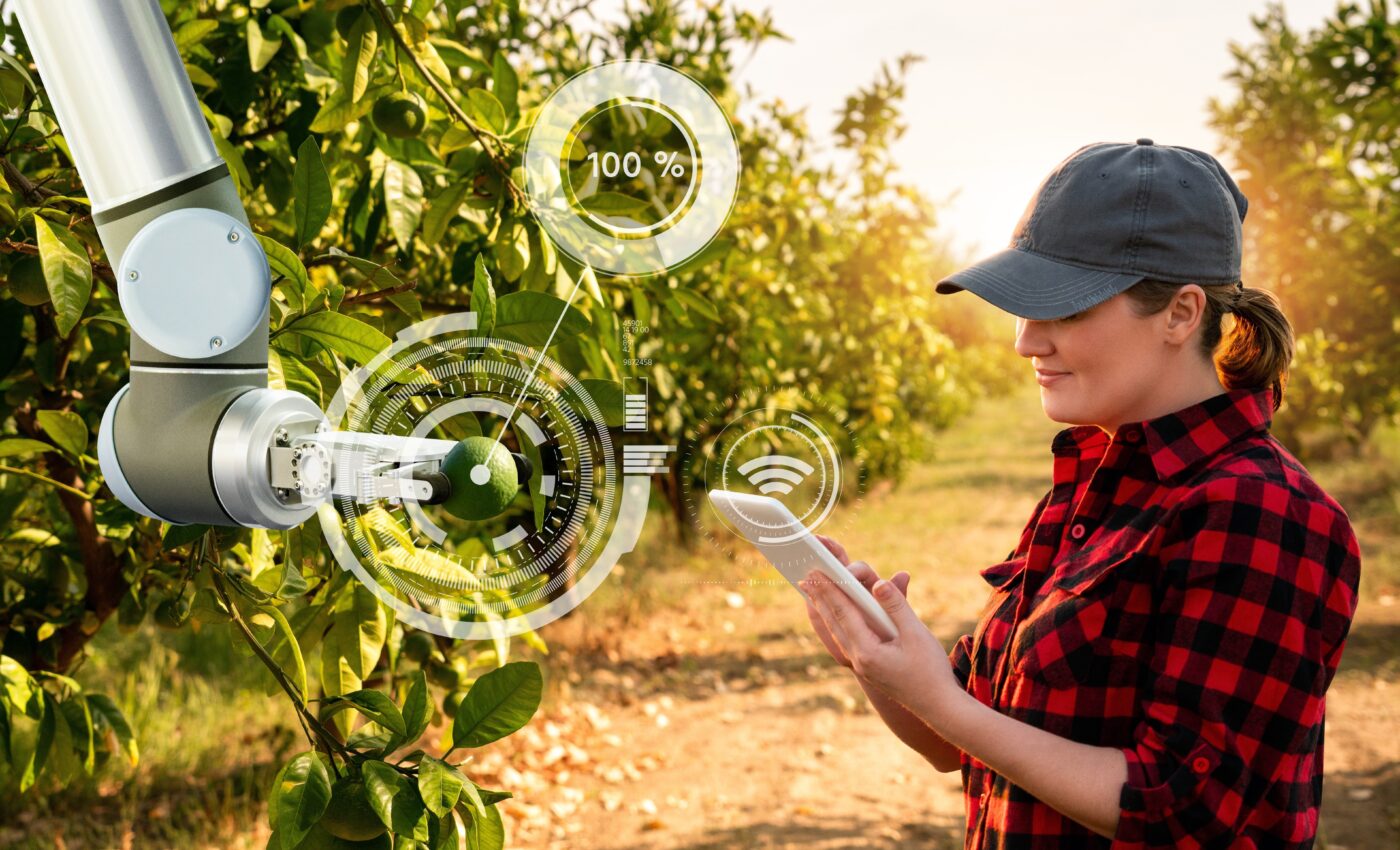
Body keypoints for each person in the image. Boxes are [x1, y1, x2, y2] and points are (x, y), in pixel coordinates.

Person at [800, 139, 1362, 849]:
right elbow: (961, 739)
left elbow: (1183, 810)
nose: (1026, 342)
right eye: (1022, 311)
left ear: (1181, 313)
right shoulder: (1092, 491)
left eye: (1063, 312)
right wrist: (878, 660)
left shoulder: (1261, 512)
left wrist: (943, 701)